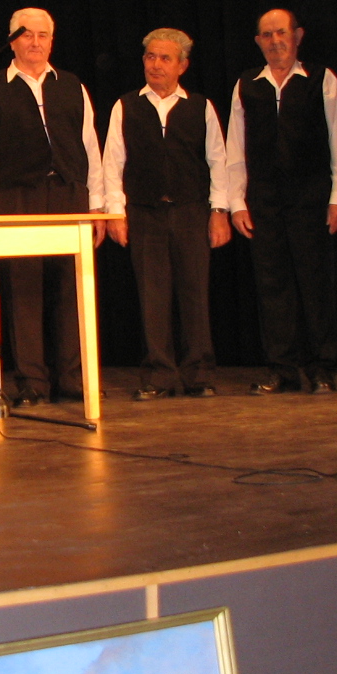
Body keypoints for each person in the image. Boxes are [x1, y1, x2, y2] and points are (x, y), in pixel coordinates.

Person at [0, 8, 105, 406]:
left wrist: (96, 204)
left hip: (68, 196)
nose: (36, 42)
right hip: (17, 198)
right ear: (12, 42)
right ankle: (32, 381)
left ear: (52, 40)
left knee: (70, 289)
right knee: (24, 292)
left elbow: (89, 148)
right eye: (27, 35)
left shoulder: (72, 86)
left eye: (43, 35)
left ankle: (73, 379)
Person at [226, 9, 337, 395]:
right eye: (267, 35)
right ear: (258, 41)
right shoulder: (247, 84)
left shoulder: (321, 79)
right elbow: (235, 149)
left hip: (312, 198)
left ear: (297, 36)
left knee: (315, 283)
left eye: (281, 32)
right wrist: (236, 202)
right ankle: (283, 368)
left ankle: (321, 367)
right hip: (264, 201)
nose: (275, 41)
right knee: (272, 286)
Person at [102, 29, 230, 399]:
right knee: (152, 296)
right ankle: (158, 374)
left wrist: (219, 210)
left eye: (165, 58)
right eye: (150, 57)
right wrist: (115, 212)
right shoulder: (126, 105)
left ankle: (199, 373)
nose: (155, 64)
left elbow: (218, 162)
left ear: (182, 66)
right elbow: (113, 163)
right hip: (145, 213)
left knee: (195, 294)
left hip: (191, 211)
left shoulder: (200, 106)